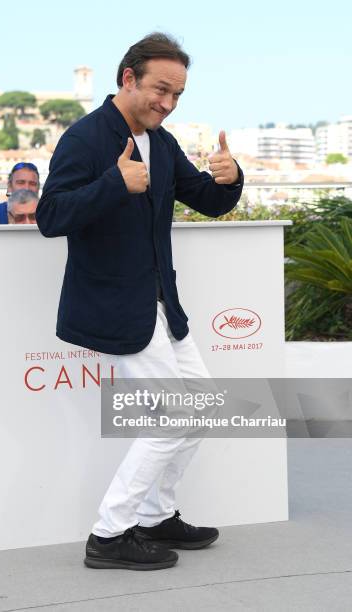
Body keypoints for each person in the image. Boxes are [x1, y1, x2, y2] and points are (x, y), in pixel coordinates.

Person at [36, 32, 243, 571]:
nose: (168, 103)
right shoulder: (84, 139)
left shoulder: (163, 140)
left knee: (198, 409)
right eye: (160, 89)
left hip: (161, 305)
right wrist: (113, 182)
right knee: (171, 416)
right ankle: (109, 535)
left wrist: (231, 178)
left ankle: (155, 514)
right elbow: (51, 217)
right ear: (127, 78)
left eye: (177, 94)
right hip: (115, 305)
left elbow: (207, 199)